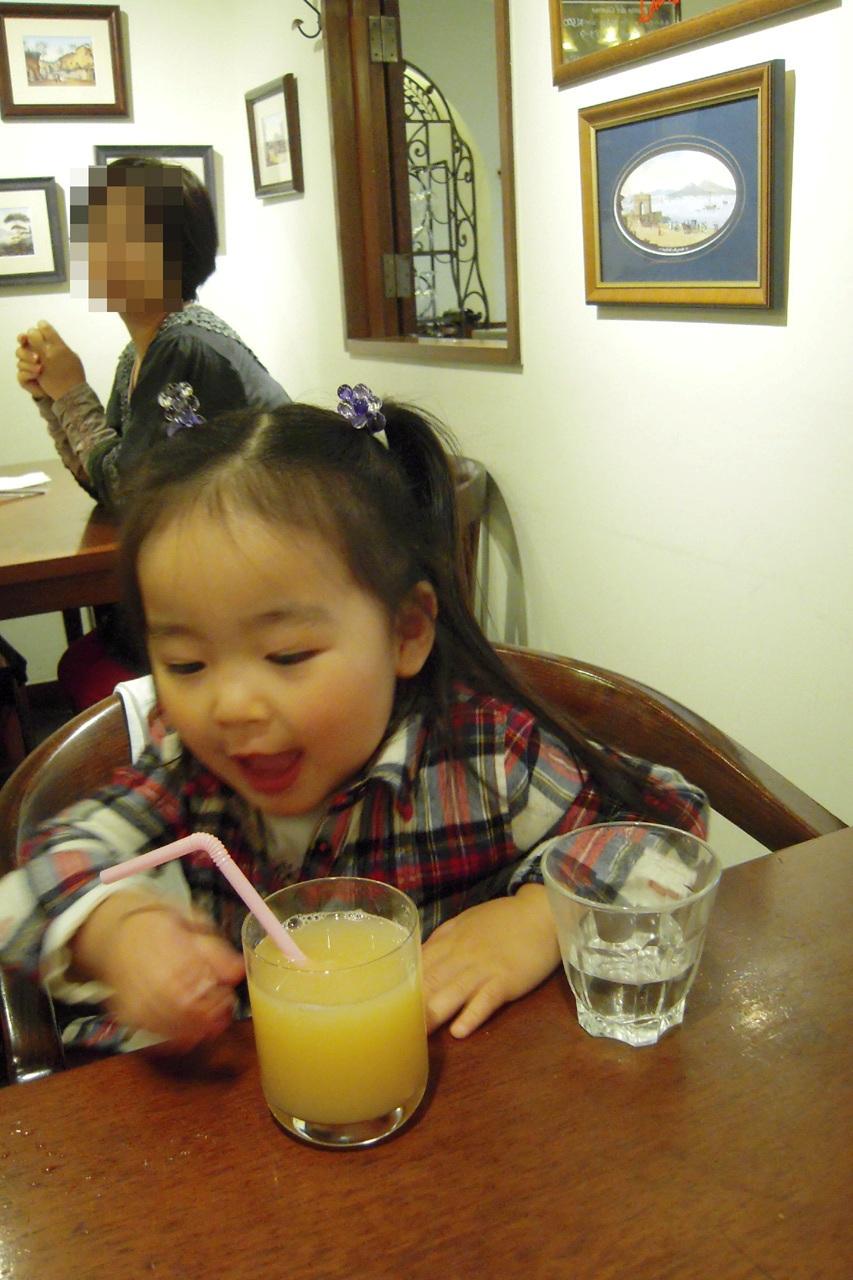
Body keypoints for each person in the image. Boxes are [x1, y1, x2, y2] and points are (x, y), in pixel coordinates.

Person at [0, 388, 708, 1056]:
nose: (231, 706)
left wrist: (536, 917)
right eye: (186, 664)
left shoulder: (481, 758)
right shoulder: (187, 767)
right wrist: (115, 930)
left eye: (287, 654)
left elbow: (667, 824)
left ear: (405, 632)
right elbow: (30, 884)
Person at [14, 157, 290, 707]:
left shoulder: (183, 348)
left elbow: (127, 491)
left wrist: (71, 392)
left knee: (88, 659)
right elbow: (106, 479)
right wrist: (52, 396)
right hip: (216, 575)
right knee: (87, 655)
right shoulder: (142, 353)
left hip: (254, 594)